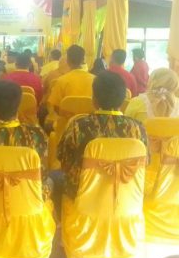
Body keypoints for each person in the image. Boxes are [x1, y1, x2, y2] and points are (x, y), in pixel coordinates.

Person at [57, 71, 148, 199]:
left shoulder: (78, 125)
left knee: (54, 178)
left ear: (94, 99)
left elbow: (63, 160)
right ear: (123, 100)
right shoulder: (138, 128)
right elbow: (145, 163)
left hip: (83, 196)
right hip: (126, 196)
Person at [0, 80, 51, 199]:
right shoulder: (37, 133)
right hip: (29, 200)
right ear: (18, 106)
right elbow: (42, 174)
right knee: (50, 181)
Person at [48, 45, 95, 112]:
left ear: (67, 60)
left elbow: (56, 107)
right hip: (88, 118)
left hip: (66, 118)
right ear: (83, 60)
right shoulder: (95, 80)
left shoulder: (61, 81)